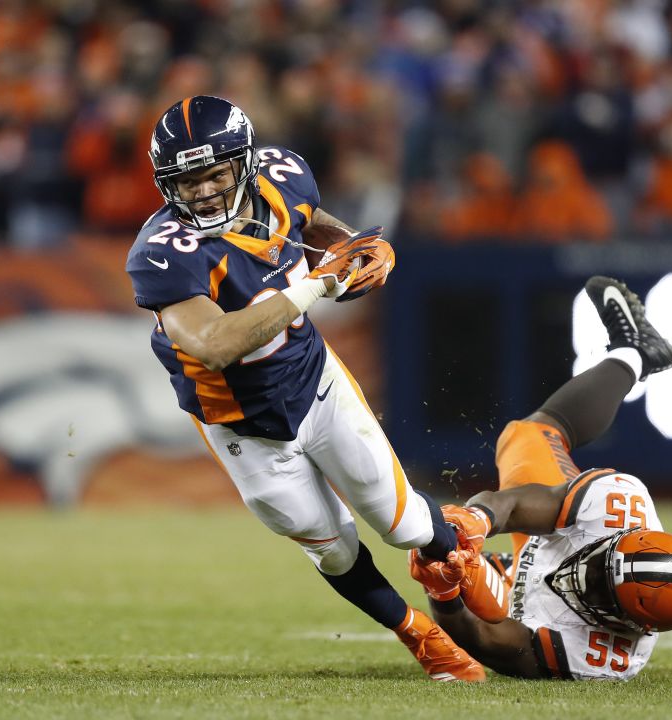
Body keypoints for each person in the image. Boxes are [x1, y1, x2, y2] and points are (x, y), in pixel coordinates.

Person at [125, 96, 485, 682]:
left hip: (314, 380)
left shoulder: (283, 174)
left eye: (216, 174)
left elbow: (309, 220)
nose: (205, 192)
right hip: (241, 426)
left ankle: (461, 549)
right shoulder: (163, 253)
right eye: (188, 181)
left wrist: (353, 249)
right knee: (333, 548)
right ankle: (418, 635)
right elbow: (214, 344)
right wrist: (315, 285)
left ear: (242, 163)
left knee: (405, 526)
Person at [408, 276, 672, 680]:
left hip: (525, 598)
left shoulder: (596, 657)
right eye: (602, 565)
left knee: (449, 589)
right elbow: (514, 505)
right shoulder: (615, 508)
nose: (586, 577)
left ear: (633, 625)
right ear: (617, 541)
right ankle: (636, 353)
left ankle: (492, 572)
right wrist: (476, 520)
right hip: (547, 539)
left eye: (604, 591)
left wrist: (443, 594)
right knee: (529, 434)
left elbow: (484, 638)